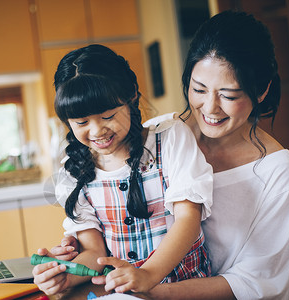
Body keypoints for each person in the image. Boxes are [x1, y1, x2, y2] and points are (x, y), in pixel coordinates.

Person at [46, 11, 289, 299]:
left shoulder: (276, 170)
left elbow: (260, 281)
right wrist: (76, 256)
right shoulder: (154, 138)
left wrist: (152, 289)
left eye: (229, 95)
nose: (210, 108)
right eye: (199, 89)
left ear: (261, 91)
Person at [32, 44, 214, 295]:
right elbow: (94, 253)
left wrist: (148, 274)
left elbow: (188, 220)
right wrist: (65, 275)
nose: (96, 131)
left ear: (132, 98)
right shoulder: (73, 171)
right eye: (82, 122)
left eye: (108, 116)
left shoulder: (170, 138)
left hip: (187, 289)